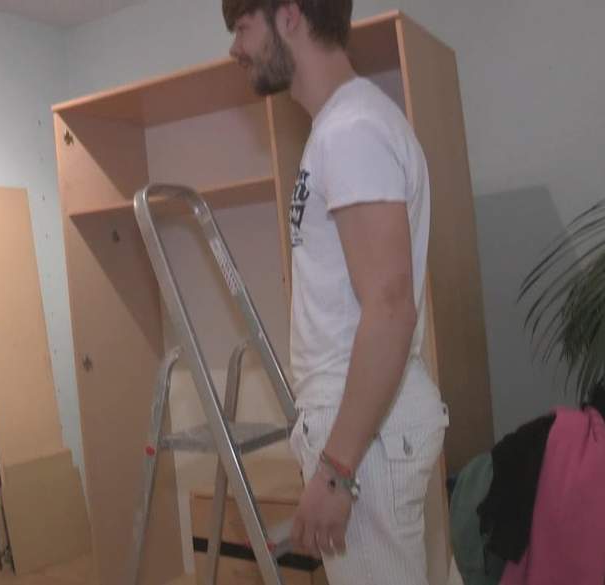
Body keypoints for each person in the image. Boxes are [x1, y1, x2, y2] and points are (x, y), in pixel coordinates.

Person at [223, 1, 450, 583]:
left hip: (362, 435)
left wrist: (336, 469)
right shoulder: (340, 128)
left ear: (289, 16)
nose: (235, 49)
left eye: (242, 28)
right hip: (371, 423)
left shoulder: (351, 130)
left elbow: (390, 307)